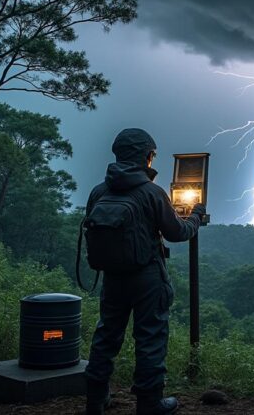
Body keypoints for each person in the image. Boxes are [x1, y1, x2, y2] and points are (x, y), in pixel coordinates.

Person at [84, 128, 205, 415]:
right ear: (147, 157)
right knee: (150, 338)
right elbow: (176, 232)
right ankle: (150, 404)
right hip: (147, 277)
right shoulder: (152, 192)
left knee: (106, 336)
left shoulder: (99, 191)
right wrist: (195, 217)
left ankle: (95, 400)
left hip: (112, 277)